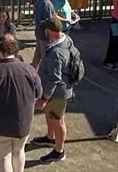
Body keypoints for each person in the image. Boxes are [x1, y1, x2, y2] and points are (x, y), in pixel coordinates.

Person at [0, 34, 42, 172]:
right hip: (23, 122)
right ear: (16, 49)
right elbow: (39, 93)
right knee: (19, 152)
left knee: (4, 157)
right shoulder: (30, 70)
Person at [32, 18, 74, 164]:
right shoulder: (66, 39)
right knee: (51, 116)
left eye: (46, 29)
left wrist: (44, 98)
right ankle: (50, 138)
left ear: (49, 31)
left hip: (58, 93)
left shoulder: (57, 53)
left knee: (58, 121)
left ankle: (59, 151)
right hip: (57, 90)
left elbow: (54, 79)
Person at [32, 0, 68, 69]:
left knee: (37, 55)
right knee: (46, 57)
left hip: (38, 31)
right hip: (45, 34)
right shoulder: (48, 4)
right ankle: (45, 74)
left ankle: (34, 71)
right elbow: (51, 22)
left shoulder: (39, 0)